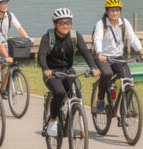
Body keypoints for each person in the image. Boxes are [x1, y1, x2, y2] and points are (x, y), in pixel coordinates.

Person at [38, 7, 100, 137]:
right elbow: (41, 55)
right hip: (52, 72)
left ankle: (71, 112)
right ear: (55, 24)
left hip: (68, 71)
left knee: (77, 94)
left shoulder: (75, 36)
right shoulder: (47, 37)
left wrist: (93, 67)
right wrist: (45, 69)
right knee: (59, 93)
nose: (66, 26)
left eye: (68, 22)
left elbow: (85, 52)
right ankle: (53, 121)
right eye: (62, 23)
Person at [92, 0, 143, 113]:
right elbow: (97, 39)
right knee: (107, 73)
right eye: (112, 10)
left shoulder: (124, 22)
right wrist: (100, 54)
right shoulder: (101, 24)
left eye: (117, 10)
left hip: (118, 57)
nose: (115, 13)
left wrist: (142, 53)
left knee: (128, 80)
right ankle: (100, 100)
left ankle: (126, 108)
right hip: (103, 56)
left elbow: (133, 38)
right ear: (107, 11)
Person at [0, 0, 30, 82]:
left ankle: (3, 88)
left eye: (6, 3)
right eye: (2, 4)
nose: (5, 5)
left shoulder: (10, 15)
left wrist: (27, 38)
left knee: (11, 64)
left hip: (5, 42)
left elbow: (19, 28)